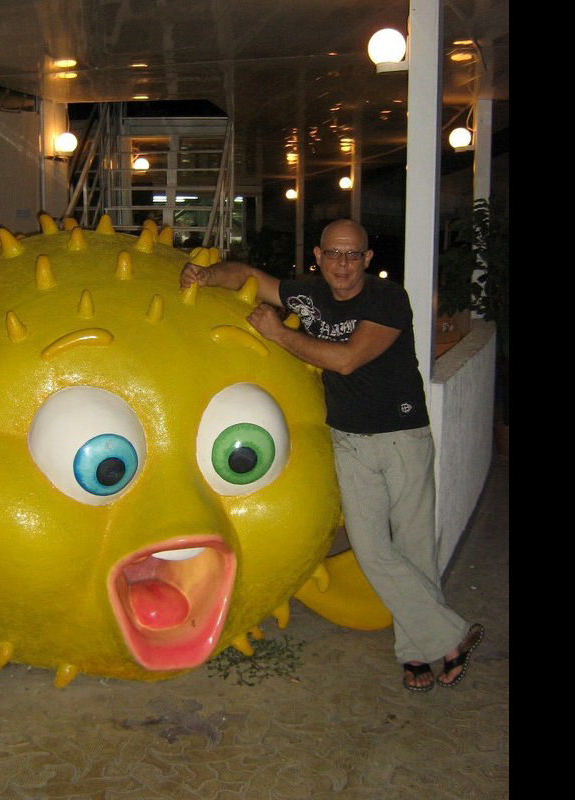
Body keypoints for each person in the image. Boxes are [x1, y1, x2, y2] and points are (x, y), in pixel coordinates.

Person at [180, 219, 484, 691]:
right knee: (372, 549)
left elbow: (346, 360)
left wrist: (278, 334)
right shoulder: (308, 295)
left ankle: (416, 652)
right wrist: (206, 275)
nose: (343, 264)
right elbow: (250, 277)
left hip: (402, 436)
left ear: (367, 259)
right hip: (349, 439)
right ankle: (451, 636)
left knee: (414, 547)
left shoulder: (388, 299)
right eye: (334, 254)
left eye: (352, 254)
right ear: (319, 257)